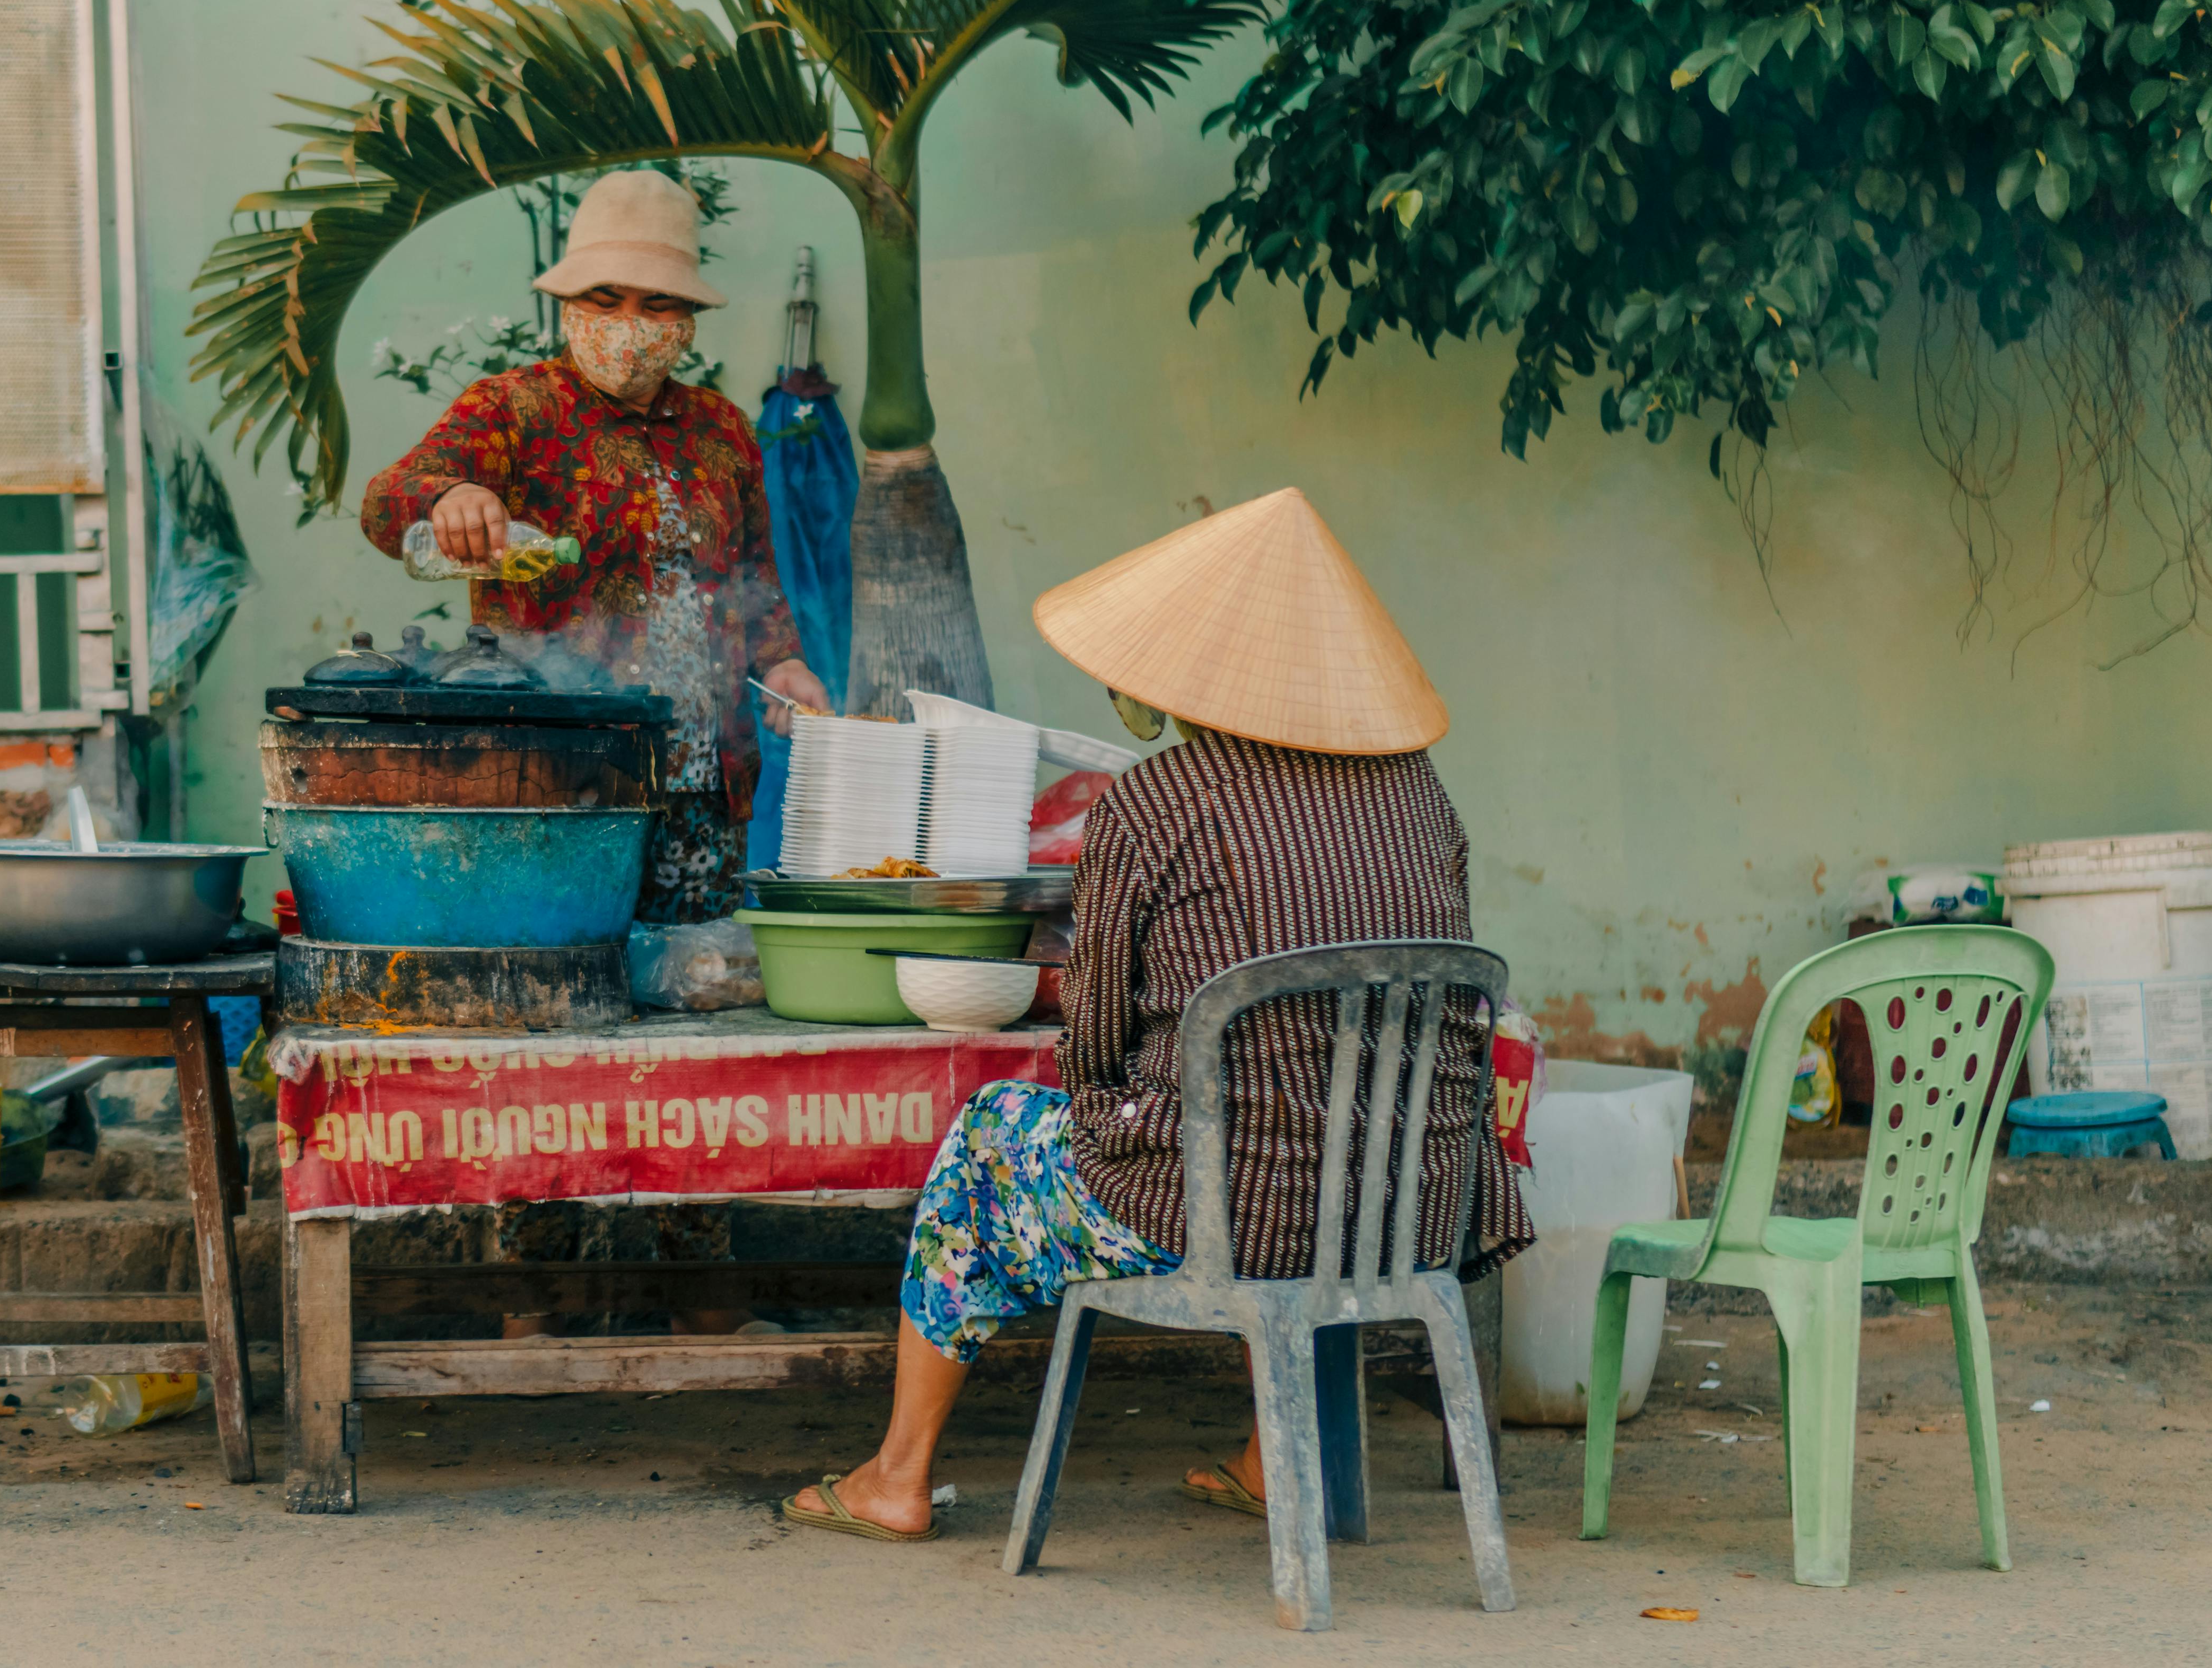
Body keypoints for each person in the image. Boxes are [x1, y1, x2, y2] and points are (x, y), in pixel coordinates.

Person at [786, 486, 1534, 1541]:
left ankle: (895, 1476)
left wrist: (1106, 1117)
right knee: (1290, 1134)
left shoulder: (1157, 798)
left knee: (989, 1139)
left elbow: (1089, 1041)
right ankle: (1275, 1463)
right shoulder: (1422, 796)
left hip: (1224, 1211)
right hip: (1407, 1211)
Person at [360, 169, 829, 1331]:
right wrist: (456, 496)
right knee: (550, 1031)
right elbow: (391, 501)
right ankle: (537, 1284)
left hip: (698, 786)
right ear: (570, 306)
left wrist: (790, 670)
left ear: (689, 322)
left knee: (703, 1040)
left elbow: (758, 590)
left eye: (658, 308)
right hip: (555, 794)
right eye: (608, 301)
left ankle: (696, 1283)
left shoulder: (722, 433)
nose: (632, 329)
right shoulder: (513, 412)